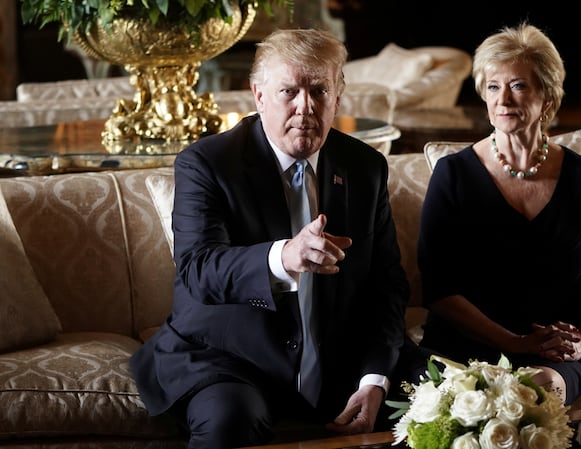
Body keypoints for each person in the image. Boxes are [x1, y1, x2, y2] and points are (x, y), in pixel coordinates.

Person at [130, 28, 422, 448]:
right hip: (231, 356)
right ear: (259, 95)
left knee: (451, 396)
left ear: (338, 97)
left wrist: (375, 377)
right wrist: (285, 257)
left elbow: (387, 288)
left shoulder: (365, 167)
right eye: (289, 91)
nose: (306, 107)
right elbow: (197, 270)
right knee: (229, 419)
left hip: (342, 353)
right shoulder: (207, 163)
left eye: (319, 91)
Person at [416, 22, 581, 406]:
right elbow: (439, 289)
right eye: (493, 87)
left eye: (518, 86)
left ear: (547, 99)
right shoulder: (454, 175)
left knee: (535, 391)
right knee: (480, 402)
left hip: (554, 350)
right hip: (468, 340)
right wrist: (512, 342)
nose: (503, 100)